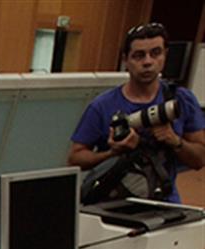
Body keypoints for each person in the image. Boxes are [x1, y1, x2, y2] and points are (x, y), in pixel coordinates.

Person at [68, 23, 205, 202]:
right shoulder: (102, 106)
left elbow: (199, 159)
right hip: (112, 203)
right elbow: (75, 158)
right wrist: (112, 152)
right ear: (126, 60)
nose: (147, 62)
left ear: (165, 55)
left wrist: (175, 141)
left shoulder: (181, 100)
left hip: (163, 203)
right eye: (139, 55)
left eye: (155, 53)